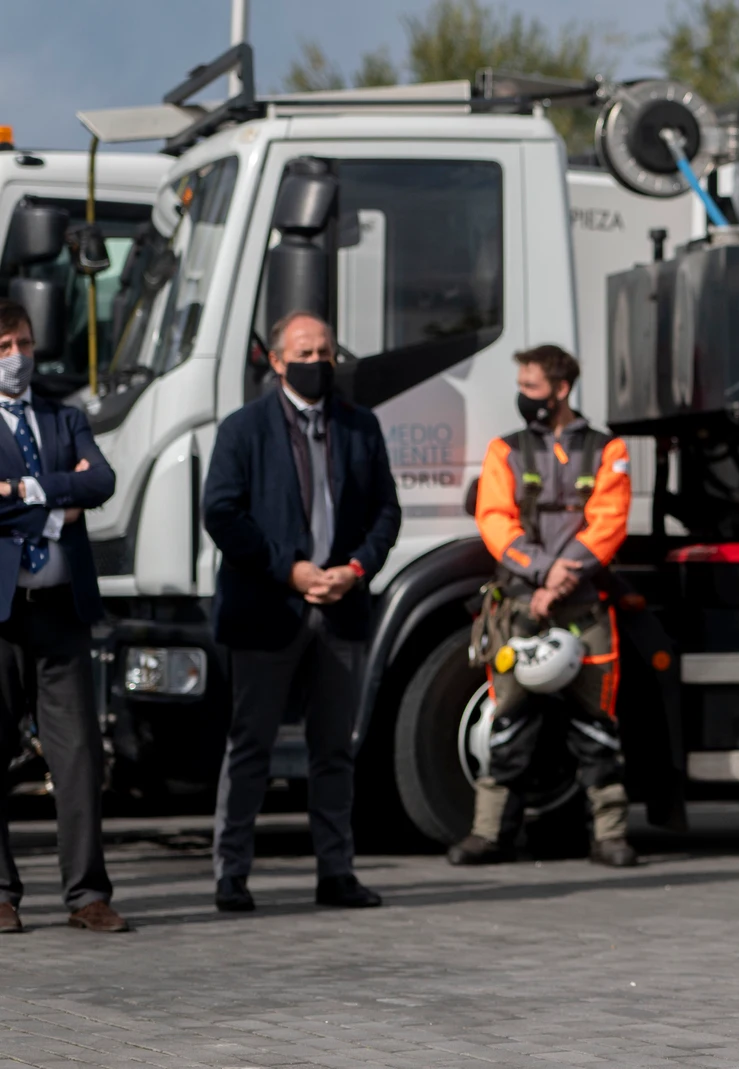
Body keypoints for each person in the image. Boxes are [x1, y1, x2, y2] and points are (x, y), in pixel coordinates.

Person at [202, 311, 400, 913]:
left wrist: (356, 569)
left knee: (334, 747)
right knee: (250, 745)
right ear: (279, 361)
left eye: (326, 352)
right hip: (268, 607)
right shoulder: (244, 429)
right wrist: (287, 568)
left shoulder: (361, 426)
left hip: (339, 608)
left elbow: (387, 513)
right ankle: (231, 874)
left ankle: (336, 872)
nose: (318, 362)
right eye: (306, 353)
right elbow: (222, 513)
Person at [448, 344, 637, 868]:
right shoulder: (503, 452)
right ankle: (489, 834)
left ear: (561, 388)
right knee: (507, 720)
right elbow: (494, 519)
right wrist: (540, 572)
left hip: (583, 606)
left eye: (531, 387)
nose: (523, 396)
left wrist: (561, 575)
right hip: (519, 604)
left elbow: (609, 521)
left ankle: (611, 835)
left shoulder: (608, 449)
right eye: (522, 386)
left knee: (597, 726)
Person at [0, 298, 125, 934]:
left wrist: (21, 491)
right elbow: (76, 494)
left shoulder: (63, 416)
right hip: (0, 616)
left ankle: (87, 894)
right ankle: (1, 893)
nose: (17, 356)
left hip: (59, 610)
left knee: (77, 755)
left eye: (22, 342)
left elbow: (101, 482)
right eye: (3, 347)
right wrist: (57, 501)